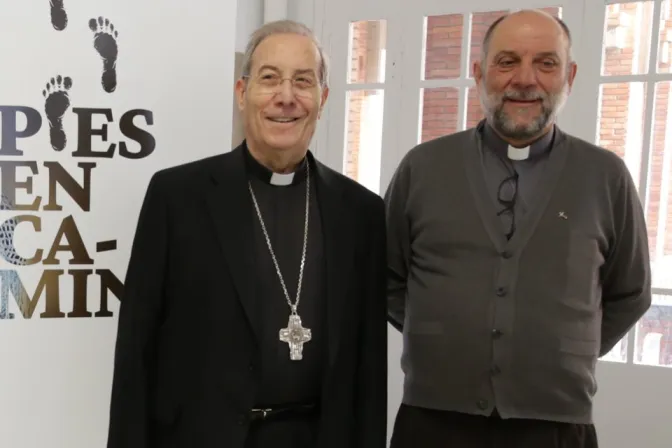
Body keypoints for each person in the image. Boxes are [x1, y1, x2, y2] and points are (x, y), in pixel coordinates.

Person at [106, 20, 387, 448]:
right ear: (242, 94)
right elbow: (136, 352)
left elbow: (369, 366)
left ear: (323, 98)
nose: (286, 97)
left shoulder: (361, 211)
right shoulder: (177, 196)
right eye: (269, 78)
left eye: (303, 82)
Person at [385, 9, 651, 448]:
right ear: (478, 73)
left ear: (570, 76)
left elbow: (632, 291)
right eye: (507, 61)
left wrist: (563, 350)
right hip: (433, 420)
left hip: (556, 423)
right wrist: (439, 335)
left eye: (546, 63)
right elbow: (386, 276)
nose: (525, 79)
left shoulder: (605, 176)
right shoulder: (423, 167)